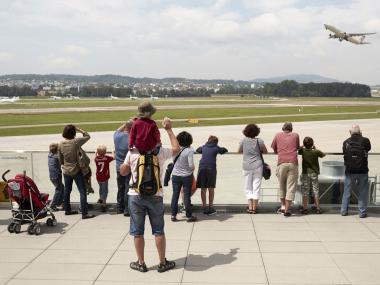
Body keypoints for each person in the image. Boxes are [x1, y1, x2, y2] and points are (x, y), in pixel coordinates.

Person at [120, 117, 179, 273]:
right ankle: (162, 262)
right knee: (158, 230)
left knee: (137, 231)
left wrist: (124, 165)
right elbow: (176, 148)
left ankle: (141, 263)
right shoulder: (160, 151)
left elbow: (123, 171)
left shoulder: (132, 152)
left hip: (135, 194)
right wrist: (169, 129)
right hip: (156, 194)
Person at [58, 124, 95, 219]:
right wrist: (79, 129)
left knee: (67, 190)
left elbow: (60, 160)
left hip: (66, 170)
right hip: (77, 170)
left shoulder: (60, 144)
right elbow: (87, 136)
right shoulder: (76, 142)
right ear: (73, 133)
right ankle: (84, 213)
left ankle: (67, 209)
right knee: (82, 191)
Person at [341, 124, 371, 218]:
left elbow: (344, 152)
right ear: (360, 132)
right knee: (362, 192)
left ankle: (344, 211)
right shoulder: (365, 140)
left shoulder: (346, 142)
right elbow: (368, 148)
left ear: (350, 132)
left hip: (350, 170)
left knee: (347, 192)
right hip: (362, 170)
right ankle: (362, 212)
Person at [271, 122, 300, 217]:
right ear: (291, 129)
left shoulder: (278, 135)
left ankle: (283, 206)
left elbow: (274, 148)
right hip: (293, 162)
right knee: (291, 187)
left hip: (282, 162)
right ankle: (287, 209)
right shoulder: (296, 135)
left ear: (283, 128)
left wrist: (280, 151)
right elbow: (297, 147)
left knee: (281, 185)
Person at [238, 124, 268, 214]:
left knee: (248, 187)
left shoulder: (243, 140)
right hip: (258, 165)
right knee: (256, 187)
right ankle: (254, 208)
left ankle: (250, 207)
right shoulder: (260, 141)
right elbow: (265, 151)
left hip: (246, 166)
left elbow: (239, 151)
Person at [196, 135, 228, 215]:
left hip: (202, 168)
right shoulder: (216, 148)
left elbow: (197, 150)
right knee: (211, 188)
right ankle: (210, 207)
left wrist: (205, 145)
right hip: (211, 168)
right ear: (216, 142)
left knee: (203, 188)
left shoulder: (204, 147)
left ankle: (204, 207)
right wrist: (217, 146)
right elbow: (224, 150)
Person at [171, 131, 197, 222]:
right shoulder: (189, 151)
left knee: (175, 195)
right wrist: (192, 169)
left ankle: (173, 215)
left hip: (175, 175)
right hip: (186, 176)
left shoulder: (175, 149)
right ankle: (189, 215)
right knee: (186, 195)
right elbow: (191, 166)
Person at [298, 137, 325, 214]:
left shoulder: (302, 151)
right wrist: (315, 148)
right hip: (314, 173)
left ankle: (305, 208)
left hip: (305, 173)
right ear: (312, 144)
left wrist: (302, 146)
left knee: (305, 191)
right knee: (315, 190)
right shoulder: (316, 152)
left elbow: (298, 149)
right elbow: (323, 155)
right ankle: (318, 208)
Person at [114, 120, 134, 215]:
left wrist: (128, 122)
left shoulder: (117, 136)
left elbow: (118, 129)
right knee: (128, 188)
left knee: (120, 187)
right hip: (129, 166)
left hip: (119, 166)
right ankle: (126, 209)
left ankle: (119, 207)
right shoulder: (132, 138)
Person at [94, 144, 114, 212]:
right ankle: (104, 203)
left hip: (98, 176)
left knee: (101, 188)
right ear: (105, 152)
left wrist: (96, 153)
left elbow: (95, 157)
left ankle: (101, 198)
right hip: (105, 176)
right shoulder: (106, 158)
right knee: (105, 190)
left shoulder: (96, 159)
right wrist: (113, 152)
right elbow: (114, 157)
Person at [48, 143, 64, 211]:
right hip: (56, 175)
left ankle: (59, 202)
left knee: (62, 187)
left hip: (52, 175)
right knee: (58, 189)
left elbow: (52, 149)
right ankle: (53, 205)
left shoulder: (49, 155)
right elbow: (62, 161)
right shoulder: (57, 156)